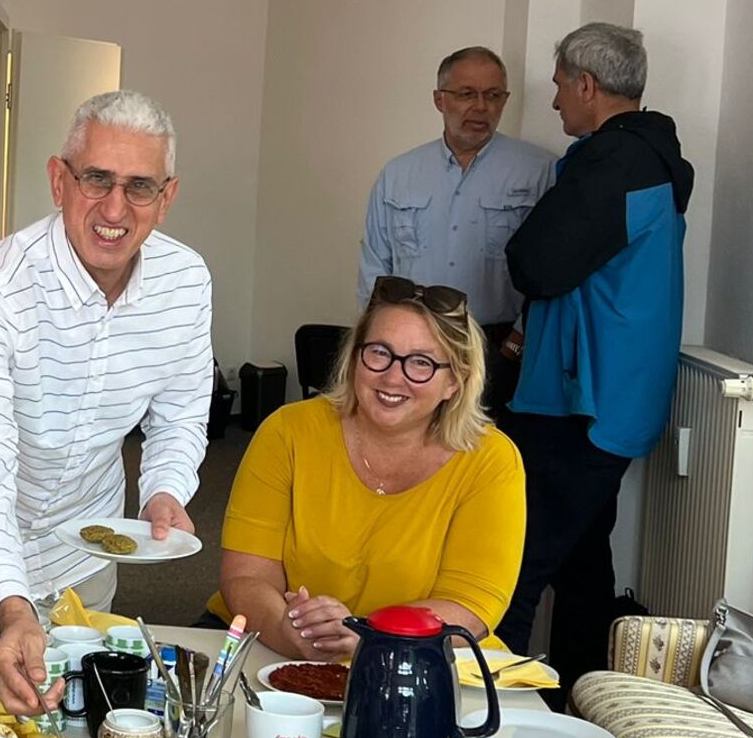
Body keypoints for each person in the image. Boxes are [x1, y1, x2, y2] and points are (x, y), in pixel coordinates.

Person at [0, 88, 214, 716]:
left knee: (71, 727)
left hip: (82, 547)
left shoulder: (187, 281)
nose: (115, 208)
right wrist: (12, 604)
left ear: (167, 197)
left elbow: (181, 412)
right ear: (58, 180)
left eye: (140, 186)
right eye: (96, 179)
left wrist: (165, 489)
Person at [498, 21, 692, 688]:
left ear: (587, 84)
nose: (554, 101)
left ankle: (482, 704)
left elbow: (535, 263)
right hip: (613, 394)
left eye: (559, 86)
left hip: (580, 402)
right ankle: (583, 693)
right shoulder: (648, 156)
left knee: (516, 563)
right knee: (582, 562)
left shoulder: (616, 164)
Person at [218, 278, 524, 659]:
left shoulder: (491, 460)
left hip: (422, 660)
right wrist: (288, 630)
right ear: (354, 357)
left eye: (421, 363)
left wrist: (371, 637)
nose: (393, 377)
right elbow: (247, 575)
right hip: (276, 644)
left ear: (455, 382)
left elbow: (471, 606)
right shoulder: (287, 431)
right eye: (379, 353)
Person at [357, 46, 554, 409]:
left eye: (492, 95)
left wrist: (515, 344)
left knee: (487, 442)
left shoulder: (539, 172)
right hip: (411, 347)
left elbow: (552, 272)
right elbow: (375, 267)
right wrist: (380, 346)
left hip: (498, 347)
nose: (480, 107)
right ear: (439, 99)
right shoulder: (399, 174)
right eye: (466, 94)